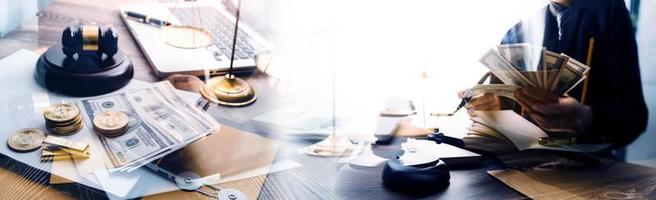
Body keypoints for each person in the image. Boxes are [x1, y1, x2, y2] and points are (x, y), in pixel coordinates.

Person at [464, 0, 648, 147]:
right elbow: (499, 100)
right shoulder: (516, 32)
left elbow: (633, 118)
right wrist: (492, 108)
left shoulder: (608, 10)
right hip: (522, 163)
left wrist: (584, 117)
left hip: (589, 166)